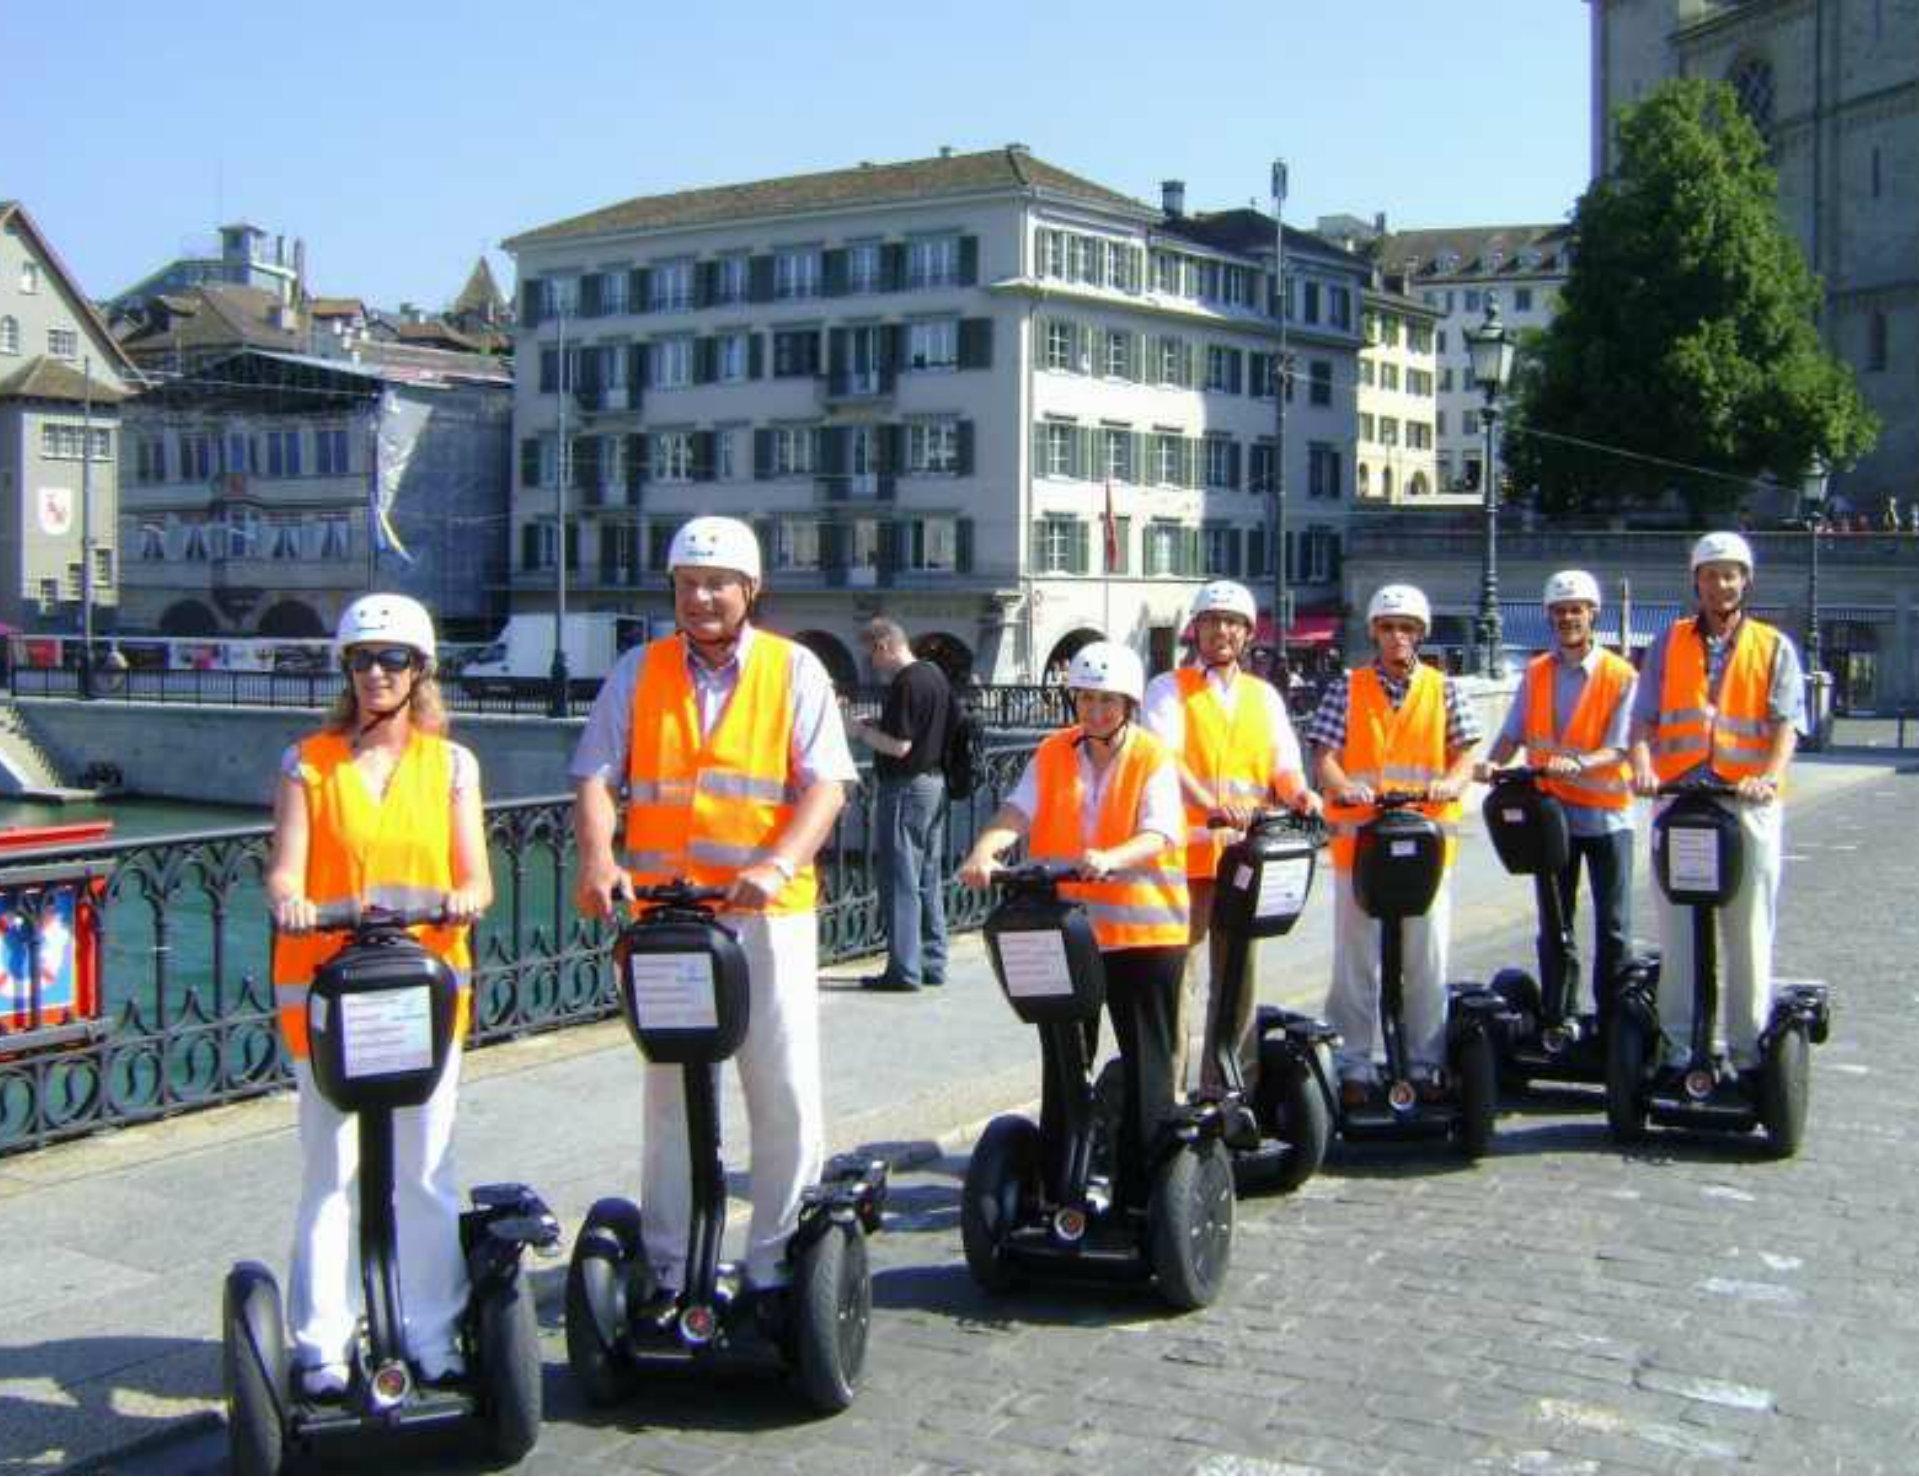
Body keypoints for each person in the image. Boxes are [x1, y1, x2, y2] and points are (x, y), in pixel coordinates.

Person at [571, 515, 855, 1309]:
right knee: (669, 1089)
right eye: (688, 584)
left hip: (765, 913)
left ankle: (774, 1259)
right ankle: (668, 1265)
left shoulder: (793, 670)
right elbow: (595, 773)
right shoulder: (639, 669)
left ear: (749, 591)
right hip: (666, 918)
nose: (701, 598)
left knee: (780, 1081)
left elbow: (827, 785)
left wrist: (776, 861)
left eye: (718, 583)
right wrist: (599, 858)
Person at [265, 593, 492, 1399]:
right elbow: (287, 866)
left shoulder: (451, 766)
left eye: (392, 659)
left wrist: (464, 896)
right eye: (361, 660)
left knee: (425, 1169)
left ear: (420, 671)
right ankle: (322, 1343)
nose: (375, 673)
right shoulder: (308, 761)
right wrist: (291, 895)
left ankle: (432, 1334)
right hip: (328, 1000)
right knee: (330, 1169)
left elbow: (477, 875)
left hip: (421, 999)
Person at [959, 640, 1187, 1212]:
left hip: (1143, 936)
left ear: (1129, 704)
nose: (1096, 712)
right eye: (1086, 699)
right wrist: (986, 851)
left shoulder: (1152, 757)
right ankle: (1060, 1182)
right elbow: (1017, 811)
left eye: (1108, 702)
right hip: (1068, 931)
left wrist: (1113, 856)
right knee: (1063, 1059)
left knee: (1146, 1063)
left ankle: (1145, 1195)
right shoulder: (1054, 751)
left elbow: (1160, 833)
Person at [1628, 532, 1805, 1071]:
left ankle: (1748, 1054)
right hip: (1680, 800)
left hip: (1743, 803)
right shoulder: (1667, 642)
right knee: (1678, 933)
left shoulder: (1773, 646)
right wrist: (1641, 765)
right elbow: (1643, 718)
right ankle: (1680, 1049)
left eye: (1729, 574)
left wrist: (1768, 778)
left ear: (1745, 581)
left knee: (1747, 930)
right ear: (1696, 582)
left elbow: (1786, 725)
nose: (1719, 584)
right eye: (1709, 575)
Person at [1303, 584, 1481, 1103]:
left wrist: (1452, 782)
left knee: (1426, 957)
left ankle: (1425, 1064)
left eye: (1406, 628)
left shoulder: (1444, 689)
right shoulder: (1347, 687)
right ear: (1374, 633)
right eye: (1387, 628)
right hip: (1360, 844)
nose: (1397, 637)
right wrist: (1340, 784)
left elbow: (1466, 752)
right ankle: (1354, 1064)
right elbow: (1325, 755)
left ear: (1420, 635)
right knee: (1356, 959)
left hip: (1426, 847)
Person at [1142, 580, 1317, 1097]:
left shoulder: (1263, 696)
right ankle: (1168, 1094)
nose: (1222, 631)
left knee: (1239, 977)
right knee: (1178, 978)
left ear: (1247, 634)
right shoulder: (1167, 689)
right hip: (1186, 853)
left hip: (1247, 855)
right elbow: (1164, 758)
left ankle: (1231, 1088)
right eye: (1213, 621)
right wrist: (1208, 803)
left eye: (1233, 623)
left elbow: (1285, 763)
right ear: (1196, 630)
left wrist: (1301, 794)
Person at [1476, 570, 1638, 1025]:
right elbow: (1512, 733)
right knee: (1555, 924)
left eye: (1577, 610)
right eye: (1561, 611)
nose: (1569, 618)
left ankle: (1612, 1021)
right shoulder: (1537, 673)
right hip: (1552, 819)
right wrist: (1492, 762)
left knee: (1613, 927)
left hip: (1607, 819)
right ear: (1549, 617)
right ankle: (1557, 1013)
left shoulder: (1620, 674)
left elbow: (1621, 745)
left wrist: (1582, 763)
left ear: (1593, 615)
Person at [846, 617, 952, 991]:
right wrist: (881, 719)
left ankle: (904, 969)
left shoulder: (906, 683)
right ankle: (932, 961)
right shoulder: (934, 675)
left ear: (884, 646)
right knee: (927, 876)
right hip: (935, 783)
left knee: (899, 877)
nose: (872, 664)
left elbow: (899, 745)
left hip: (905, 786)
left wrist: (860, 732)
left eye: (871, 655)